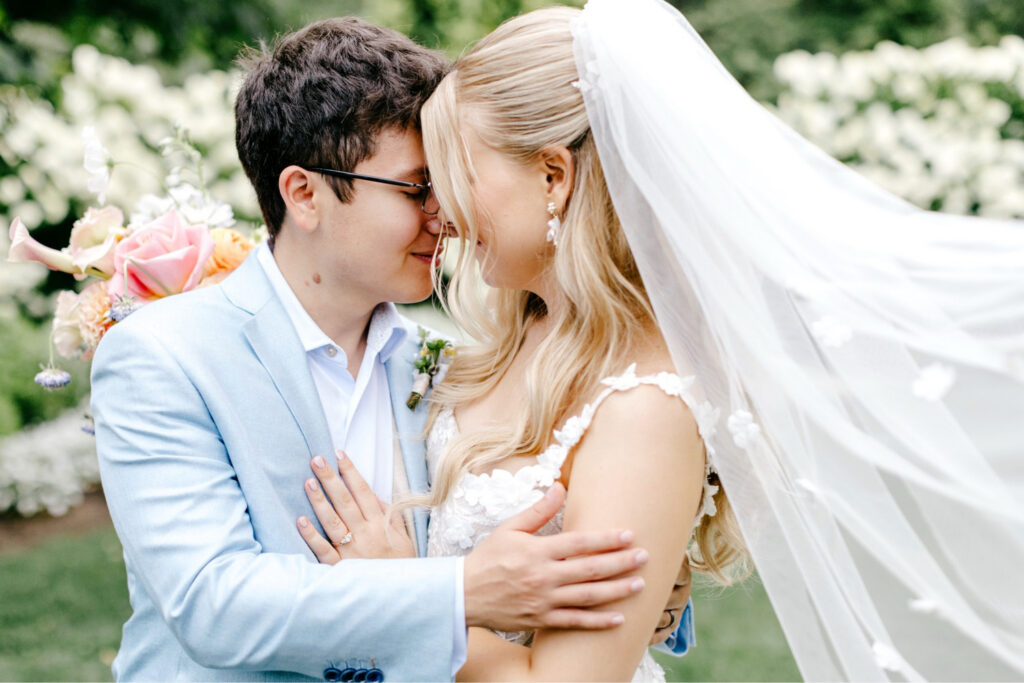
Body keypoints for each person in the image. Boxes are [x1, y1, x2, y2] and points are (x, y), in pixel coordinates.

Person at [300, 1, 1024, 681]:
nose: (445, 215)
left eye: (459, 176)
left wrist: (404, 596)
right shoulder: (508, 335)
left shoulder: (645, 407)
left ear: (554, 176)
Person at [90, 17, 689, 682]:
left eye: (449, 181)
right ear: (304, 194)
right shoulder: (163, 355)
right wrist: (459, 589)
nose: (446, 214)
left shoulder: (451, 366)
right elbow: (213, 605)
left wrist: (657, 584)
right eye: (416, 187)